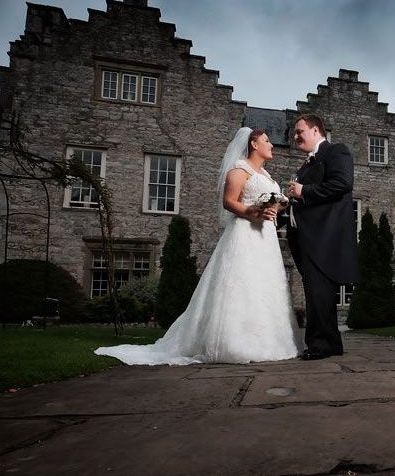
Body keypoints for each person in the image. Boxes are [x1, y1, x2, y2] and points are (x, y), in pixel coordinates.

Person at [94, 128, 302, 365]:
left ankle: (269, 341)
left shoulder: (265, 174)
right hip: (245, 234)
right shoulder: (239, 169)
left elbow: (273, 206)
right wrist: (252, 212)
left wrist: (279, 205)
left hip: (266, 238)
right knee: (242, 283)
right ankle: (234, 343)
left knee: (264, 286)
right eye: (267, 141)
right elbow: (229, 202)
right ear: (254, 144)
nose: (272, 145)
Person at [285, 114, 359, 360]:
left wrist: (303, 190)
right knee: (315, 291)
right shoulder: (305, 165)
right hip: (305, 237)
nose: (295, 137)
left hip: (324, 236)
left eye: (299, 131)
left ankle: (320, 345)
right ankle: (330, 344)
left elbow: (342, 184)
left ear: (316, 130)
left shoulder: (336, 151)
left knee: (318, 291)